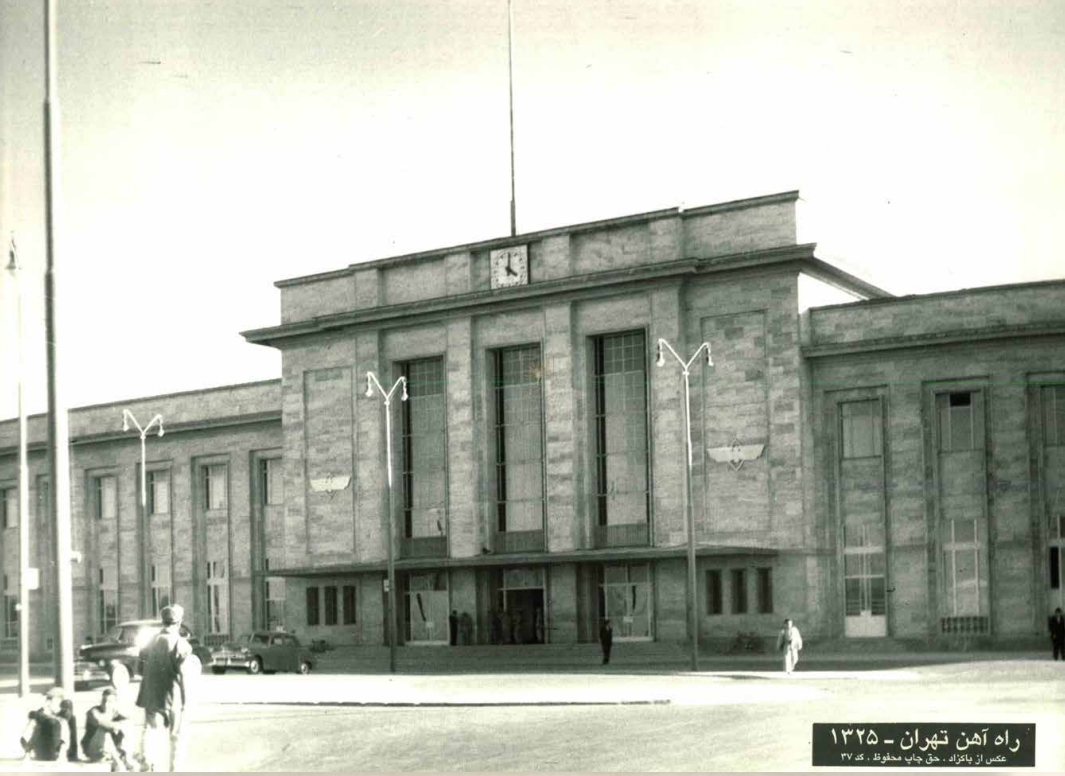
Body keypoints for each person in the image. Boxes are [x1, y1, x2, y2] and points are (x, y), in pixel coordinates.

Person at [136, 603, 194, 772]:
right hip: (171, 695)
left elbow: (139, 667)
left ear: (163, 621)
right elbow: (183, 674)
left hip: (149, 694)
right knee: (175, 735)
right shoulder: (181, 644)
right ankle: (174, 770)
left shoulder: (151, 640)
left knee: (150, 729)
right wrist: (186, 701)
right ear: (179, 622)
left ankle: (146, 761)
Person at [82, 688, 137, 770]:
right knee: (104, 729)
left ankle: (123, 757)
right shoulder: (93, 711)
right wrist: (115, 726)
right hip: (92, 749)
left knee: (125, 728)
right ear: (101, 700)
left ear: (115, 702)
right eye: (104, 700)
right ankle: (117, 760)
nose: (106, 704)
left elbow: (129, 720)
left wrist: (120, 725)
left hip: (108, 750)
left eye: (110, 701)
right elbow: (100, 722)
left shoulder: (114, 712)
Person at [20, 687, 69, 762]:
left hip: (54, 752)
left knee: (60, 723)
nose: (50, 702)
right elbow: (25, 734)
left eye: (57, 700)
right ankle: (27, 751)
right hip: (41, 752)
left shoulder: (64, 714)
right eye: (49, 700)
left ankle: (28, 752)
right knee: (37, 723)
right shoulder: (38, 713)